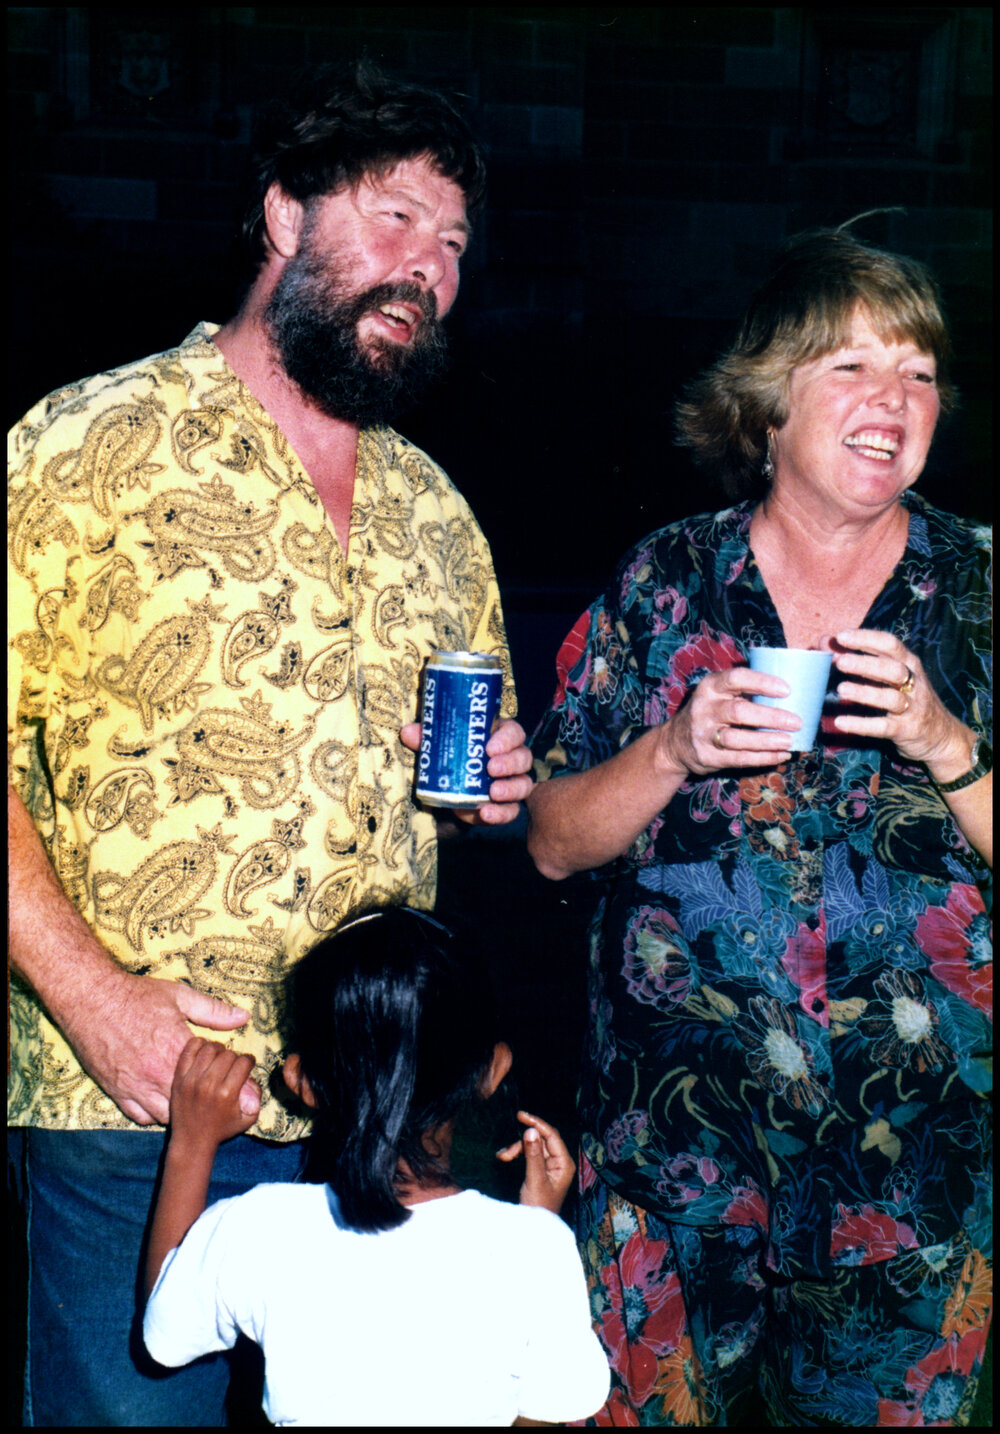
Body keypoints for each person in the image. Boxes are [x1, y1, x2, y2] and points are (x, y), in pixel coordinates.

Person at [8, 60, 534, 1426]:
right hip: (138, 1103)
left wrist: (492, 793)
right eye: (398, 218)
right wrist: (96, 1001)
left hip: (378, 1125)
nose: (430, 267)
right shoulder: (91, 444)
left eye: (456, 245)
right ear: (285, 221)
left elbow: (464, 784)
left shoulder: (438, 514)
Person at [526, 226, 992, 1426]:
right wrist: (672, 747)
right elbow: (551, 840)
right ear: (767, 404)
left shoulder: (982, 594)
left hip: (915, 1182)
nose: (893, 397)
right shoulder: (662, 583)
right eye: (850, 364)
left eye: (918, 371)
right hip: (670, 1177)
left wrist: (950, 746)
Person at [141, 905, 611, 1426]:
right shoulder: (535, 1247)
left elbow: (167, 1331)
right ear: (493, 1070)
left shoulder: (258, 1227)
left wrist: (192, 1140)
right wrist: (539, 1218)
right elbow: (545, 1410)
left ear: (301, 1082)